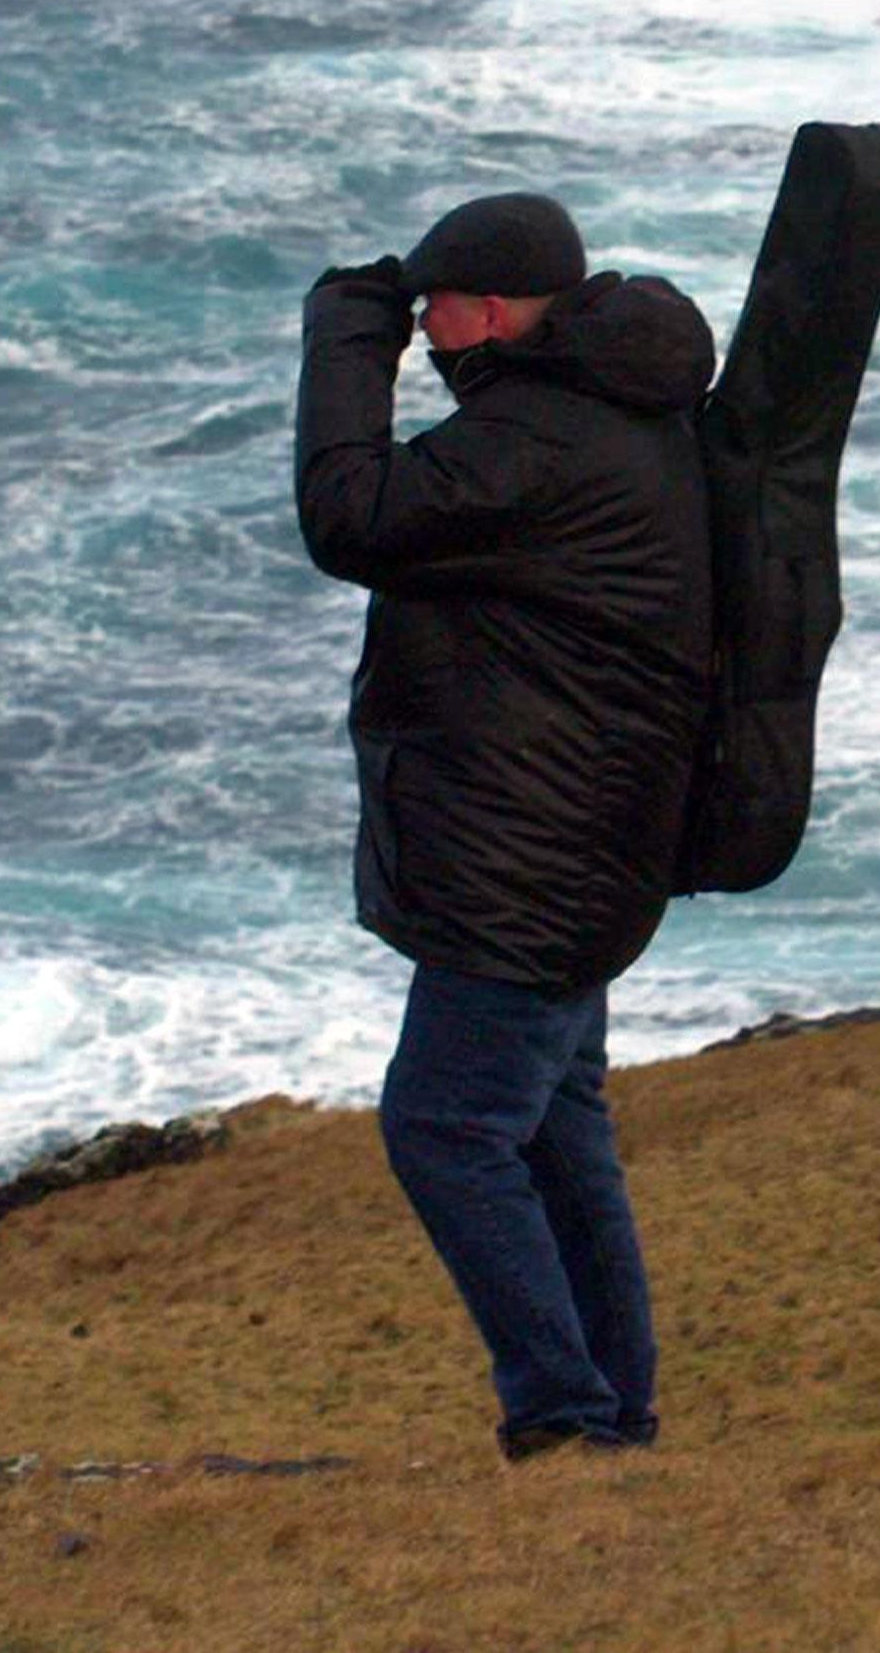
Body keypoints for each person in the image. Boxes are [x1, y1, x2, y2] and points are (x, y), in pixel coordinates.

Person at [293, 190, 717, 1461]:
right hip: (589, 846)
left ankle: (566, 1414)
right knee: (555, 1135)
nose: (421, 329)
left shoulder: (539, 437)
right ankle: (611, 1418)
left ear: (488, 312)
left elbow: (350, 516)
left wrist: (345, 338)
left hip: (533, 865)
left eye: (432, 310)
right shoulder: (607, 409)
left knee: (445, 1130)